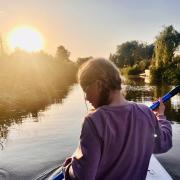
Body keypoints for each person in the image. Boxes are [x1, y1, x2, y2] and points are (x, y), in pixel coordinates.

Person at [63, 58, 172, 180]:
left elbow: (83, 177)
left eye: (85, 91)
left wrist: (67, 168)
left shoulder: (93, 121)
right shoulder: (146, 113)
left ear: (99, 84)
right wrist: (160, 116)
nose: (86, 98)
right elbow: (163, 144)